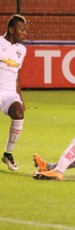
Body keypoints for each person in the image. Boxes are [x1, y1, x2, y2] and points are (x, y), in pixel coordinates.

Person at [0, 14, 28, 171]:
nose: (25, 33)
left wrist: (20, 98)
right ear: (11, 29)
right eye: (22, 29)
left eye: (26, 30)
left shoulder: (22, 50)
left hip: (9, 93)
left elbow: (17, 74)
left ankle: (8, 154)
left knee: (18, 113)